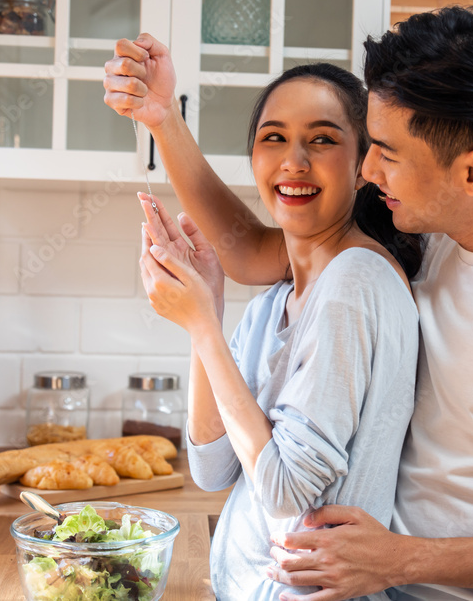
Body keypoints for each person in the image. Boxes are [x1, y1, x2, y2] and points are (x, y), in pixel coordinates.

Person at [104, 4, 473, 601]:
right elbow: (251, 250)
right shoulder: (432, 228)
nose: (368, 171)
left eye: (388, 154)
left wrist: (403, 559)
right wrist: (163, 120)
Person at [131, 62, 424, 600]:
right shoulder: (274, 302)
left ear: (364, 166)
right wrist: (209, 311)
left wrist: (201, 325)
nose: (295, 160)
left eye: (322, 139)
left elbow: (286, 491)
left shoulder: (356, 282)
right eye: (274, 138)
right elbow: (212, 467)